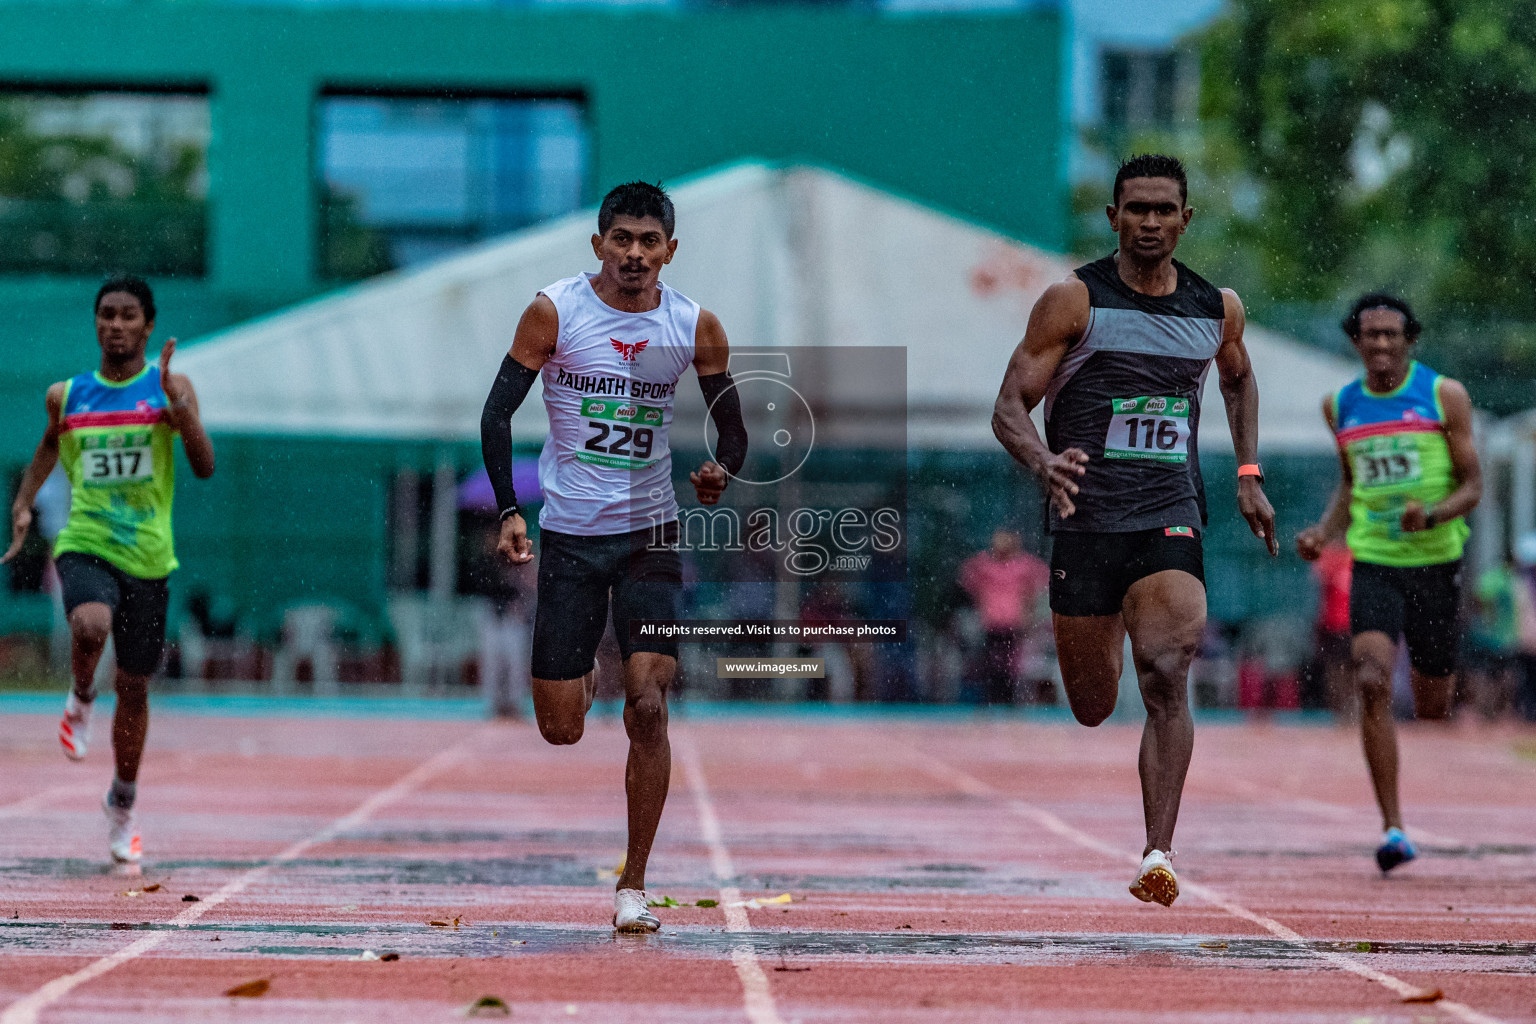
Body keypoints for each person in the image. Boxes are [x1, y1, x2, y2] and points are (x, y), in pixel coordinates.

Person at [992, 154, 1277, 906]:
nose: (1150, 222)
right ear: (1113, 217)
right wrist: (1043, 462)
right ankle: (1108, 631)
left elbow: (1239, 378)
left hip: (1168, 513)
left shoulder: (1217, 308)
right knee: (1092, 702)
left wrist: (1248, 474)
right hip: (1086, 523)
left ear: (1186, 220)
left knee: (1167, 670)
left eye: (1164, 210)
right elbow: (1008, 407)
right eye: (1136, 209)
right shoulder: (1073, 302)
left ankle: (1159, 851)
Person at [480, 181, 748, 932]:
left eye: (649, 242)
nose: (634, 254)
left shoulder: (694, 325)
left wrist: (718, 472)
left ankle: (634, 883)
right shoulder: (554, 313)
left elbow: (734, 435)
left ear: (670, 250)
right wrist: (509, 508)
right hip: (569, 535)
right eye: (621, 240)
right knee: (561, 727)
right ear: (598, 244)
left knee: (649, 707)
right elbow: (497, 412)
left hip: (651, 534)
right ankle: (587, 666)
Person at [2, 275, 215, 864]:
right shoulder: (67, 395)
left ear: (148, 326)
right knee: (90, 626)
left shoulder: (170, 388)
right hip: (87, 540)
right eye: (105, 315)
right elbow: (49, 444)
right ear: (95, 323)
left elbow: (203, 466)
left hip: (149, 555)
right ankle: (78, 696)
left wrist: (180, 413)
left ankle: (121, 803)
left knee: (136, 686)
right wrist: (24, 502)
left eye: (127, 316)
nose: (114, 326)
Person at [1296, 293, 1481, 873]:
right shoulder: (1340, 405)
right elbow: (1350, 484)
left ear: (1409, 340)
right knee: (1372, 679)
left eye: (1391, 335)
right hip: (1373, 561)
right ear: (1355, 342)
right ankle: (1393, 827)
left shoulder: (1442, 395)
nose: (1381, 345)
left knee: (1432, 705)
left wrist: (1433, 514)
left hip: (1436, 562)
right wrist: (1325, 532)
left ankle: (1411, 775)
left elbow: (1473, 484)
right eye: (1370, 335)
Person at [958, 529, 1049, 705]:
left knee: (1011, 663)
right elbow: (966, 578)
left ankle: (1008, 698)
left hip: (1013, 622)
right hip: (991, 621)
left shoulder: (1024, 565)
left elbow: (1040, 582)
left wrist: (1029, 610)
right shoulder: (984, 564)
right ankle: (990, 697)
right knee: (990, 662)